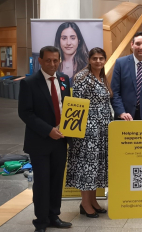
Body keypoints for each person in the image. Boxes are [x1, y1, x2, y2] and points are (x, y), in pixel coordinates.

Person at [18, 46, 72, 232]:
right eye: (48, 60)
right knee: (41, 183)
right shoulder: (30, 83)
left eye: (55, 60)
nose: (52, 64)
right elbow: (25, 113)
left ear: (60, 61)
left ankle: (53, 216)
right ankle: (40, 222)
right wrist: (48, 130)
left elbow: (67, 107)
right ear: (40, 61)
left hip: (60, 140)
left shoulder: (64, 80)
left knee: (57, 180)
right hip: (40, 141)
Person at [66, 47, 112, 218]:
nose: (98, 61)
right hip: (87, 131)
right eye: (95, 58)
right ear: (89, 59)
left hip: (101, 131)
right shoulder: (82, 77)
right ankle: (85, 204)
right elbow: (76, 106)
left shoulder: (102, 77)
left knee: (96, 167)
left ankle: (92, 200)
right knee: (87, 167)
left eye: (101, 58)